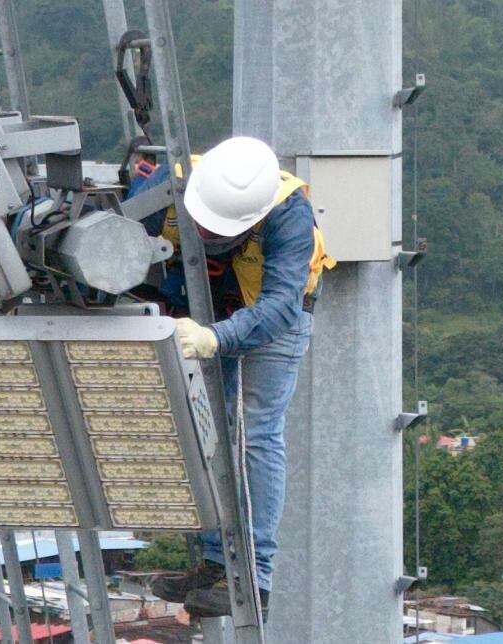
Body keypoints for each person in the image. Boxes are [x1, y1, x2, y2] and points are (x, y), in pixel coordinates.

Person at [147, 136, 334, 621]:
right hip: (203, 310)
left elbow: (278, 308)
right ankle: (214, 564)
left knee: (253, 433)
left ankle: (255, 574)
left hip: (269, 321)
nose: (208, 230)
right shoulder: (168, 185)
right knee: (208, 428)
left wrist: (215, 338)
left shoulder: (288, 211)